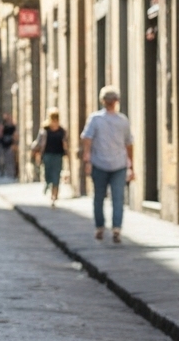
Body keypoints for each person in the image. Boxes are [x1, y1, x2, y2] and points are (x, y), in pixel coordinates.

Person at [80, 86, 134, 243]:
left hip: (99, 163)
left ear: (102, 101)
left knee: (98, 197)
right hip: (119, 164)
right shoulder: (123, 120)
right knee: (118, 198)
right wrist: (131, 165)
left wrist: (87, 159)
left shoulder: (95, 119)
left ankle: (99, 228)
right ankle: (116, 229)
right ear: (116, 102)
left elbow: (87, 139)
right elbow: (129, 144)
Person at [32, 110, 67, 208]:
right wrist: (36, 152)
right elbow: (39, 142)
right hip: (47, 155)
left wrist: (66, 151)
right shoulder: (45, 130)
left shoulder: (61, 131)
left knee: (56, 176)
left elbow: (65, 143)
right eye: (53, 118)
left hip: (58, 155)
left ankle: (54, 197)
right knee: (48, 174)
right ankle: (47, 184)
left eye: (56, 118)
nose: (54, 121)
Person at [0, 113, 18, 178]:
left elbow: (15, 135)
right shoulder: (2, 125)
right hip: (3, 144)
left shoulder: (12, 126)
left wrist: (14, 143)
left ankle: (11, 172)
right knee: (3, 159)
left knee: (10, 159)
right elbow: (0, 134)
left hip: (10, 144)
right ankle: (3, 171)